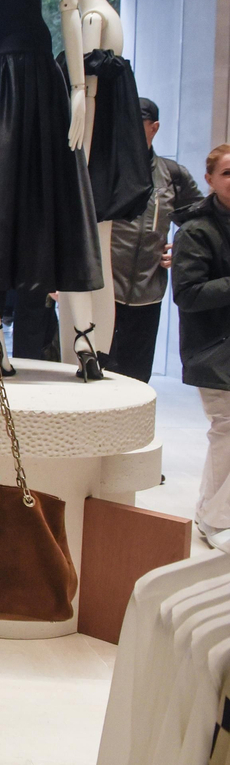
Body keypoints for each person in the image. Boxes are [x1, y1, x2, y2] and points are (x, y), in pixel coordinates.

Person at [108, 98, 202, 382]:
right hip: (103, 291)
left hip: (148, 293)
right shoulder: (104, 170)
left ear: (155, 128)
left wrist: (182, 250)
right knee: (96, 374)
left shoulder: (172, 175)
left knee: (136, 377)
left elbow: (200, 221)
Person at [170, 143, 230, 539]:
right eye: (227, 173)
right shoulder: (195, 230)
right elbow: (188, 294)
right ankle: (215, 519)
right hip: (214, 349)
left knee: (225, 434)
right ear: (208, 180)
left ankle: (210, 514)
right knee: (226, 429)